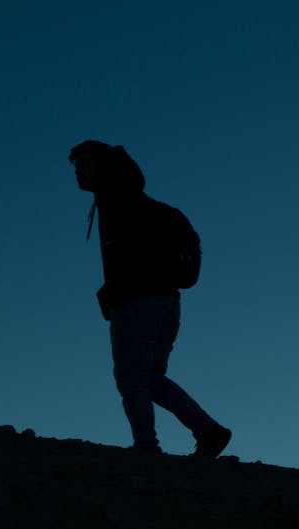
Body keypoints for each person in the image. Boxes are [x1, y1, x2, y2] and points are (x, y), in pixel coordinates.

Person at [69, 140, 231, 458]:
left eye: (84, 163)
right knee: (151, 379)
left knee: (132, 381)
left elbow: (132, 258)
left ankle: (146, 449)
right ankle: (208, 430)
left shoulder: (118, 201)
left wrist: (116, 288)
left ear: (104, 166)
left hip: (137, 304)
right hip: (166, 304)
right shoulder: (133, 201)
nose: (78, 171)